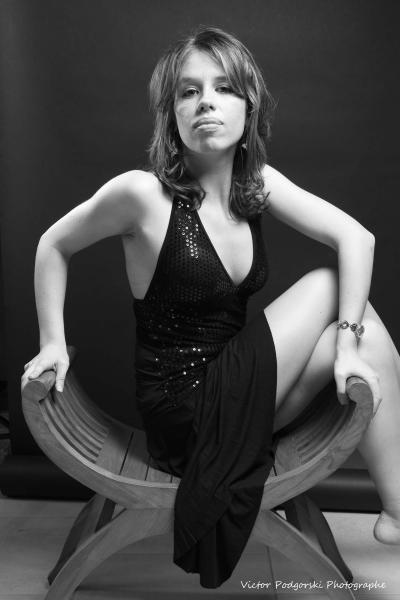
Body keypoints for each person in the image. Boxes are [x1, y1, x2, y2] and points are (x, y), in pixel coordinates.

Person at [23, 25, 400, 588]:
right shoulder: (141, 195)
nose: (206, 102)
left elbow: (358, 238)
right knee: (329, 284)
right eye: (189, 91)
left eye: (224, 88)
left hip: (241, 400)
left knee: (366, 334)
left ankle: (397, 511)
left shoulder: (256, 186)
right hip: (184, 413)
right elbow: (53, 245)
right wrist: (52, 341)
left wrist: (345, 349)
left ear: (249, 108)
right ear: (170, 114)